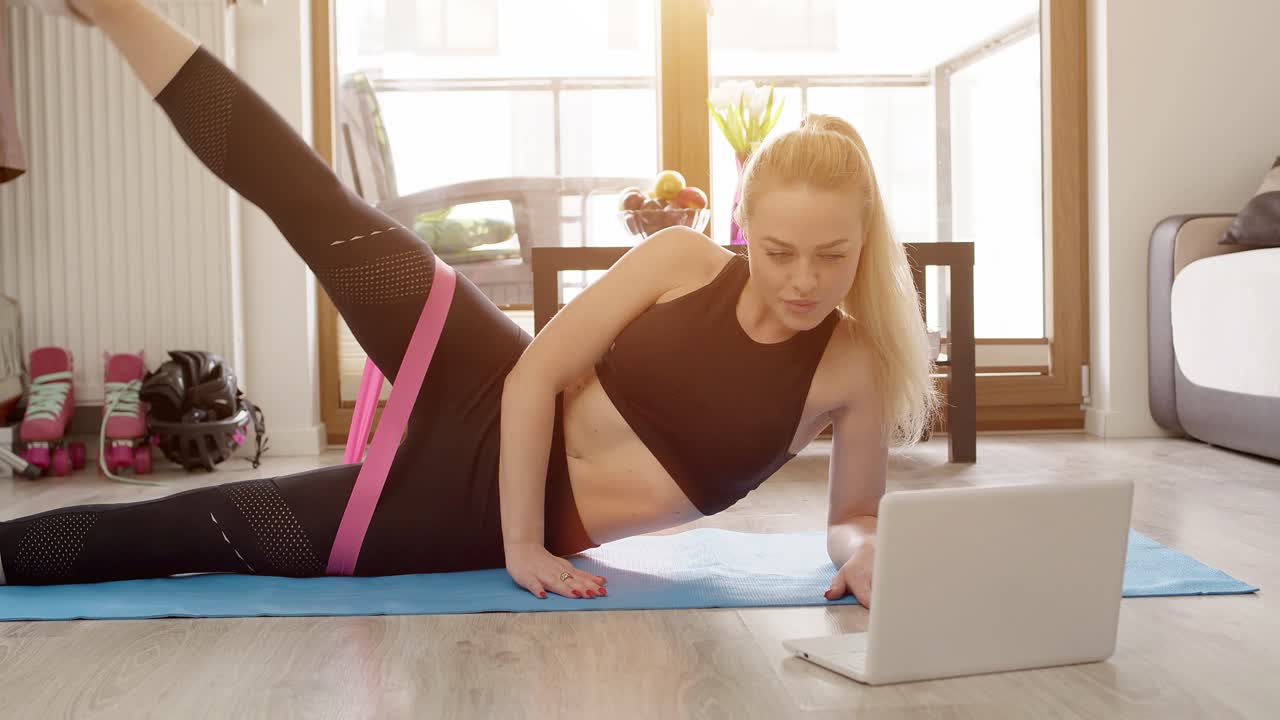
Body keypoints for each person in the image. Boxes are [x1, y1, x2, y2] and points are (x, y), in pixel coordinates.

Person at [0, 0, 938, 608]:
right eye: (778, 252)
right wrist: (523, 547)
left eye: (833, 256)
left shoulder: (853, 364)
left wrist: (866, 553)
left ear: (869, 243)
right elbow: (536, 370)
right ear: (742, 225)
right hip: (488, 385)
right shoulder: (683, 258)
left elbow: (855, 513)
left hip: (461, 507)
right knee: (319, 205)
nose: (804, 280)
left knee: (194, 530)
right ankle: (118, 9)